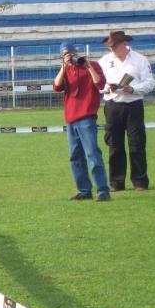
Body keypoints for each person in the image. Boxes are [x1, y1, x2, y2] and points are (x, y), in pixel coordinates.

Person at [98, 30, 155, 191]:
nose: (112, 50)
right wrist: (106, 88)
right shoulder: (104, 61)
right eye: (110, 47)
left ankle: (140, 182)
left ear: (124, 44)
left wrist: (133, 89)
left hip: (133, 105)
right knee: (114, 145)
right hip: (112, 105)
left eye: (114, 46)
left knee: (137, 144)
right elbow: (98, 84)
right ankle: (116, 183)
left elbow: (150, 83)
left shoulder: (140, 60)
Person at [53, 41, 110, 202]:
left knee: (92, 153)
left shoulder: (92, 65)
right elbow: (56, 87)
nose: (70, 56)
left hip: (87, 117)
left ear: (77, 52)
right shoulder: (66, 70)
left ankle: (102, 190)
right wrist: (64, 66)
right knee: (75, 156)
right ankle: (84, 190)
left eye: (71, 53)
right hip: (70, 119)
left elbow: (100, 84)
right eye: (65, 54)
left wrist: (88, 66)